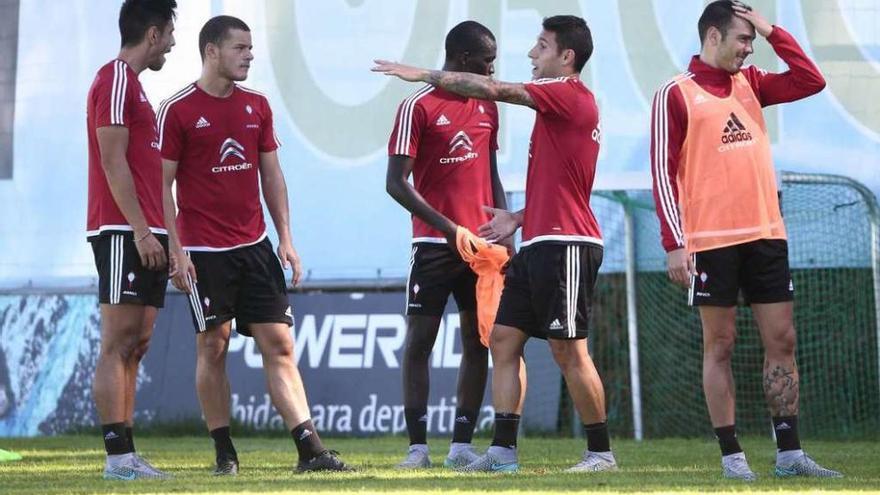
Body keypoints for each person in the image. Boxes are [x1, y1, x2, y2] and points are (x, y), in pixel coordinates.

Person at [374, 15, 617, 473]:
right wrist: (514, 220)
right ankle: (500, 451)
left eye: (540, 46)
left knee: (568, 349)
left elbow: (495, 91)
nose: (530, 54)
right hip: (525, 242)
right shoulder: (550, 108)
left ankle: (600, 452)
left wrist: (424, 71)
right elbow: (562, 184)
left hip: (566, 243)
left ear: (566, 57)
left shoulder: (567, 95)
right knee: (502, 339)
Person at [649, 0, 839, 481]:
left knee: (783, 339)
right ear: (713, 36)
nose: (748, 49)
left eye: (752, 41)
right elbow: (662, 173)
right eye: (742, 38)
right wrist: (675, 242)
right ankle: (733, 458)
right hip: (710, 241)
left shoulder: (751, 82)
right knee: (721, 344)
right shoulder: (675, 93)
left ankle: (790, 455)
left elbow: (811, 79)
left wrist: (771, 30)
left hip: (766, 233)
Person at [158, 15, 348, 474]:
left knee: (280, 344)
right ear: (211, 51)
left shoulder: (257, 105)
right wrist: (175, 251)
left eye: (250, 47)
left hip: (255, 247)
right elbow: (161, 187)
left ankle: (310, 450)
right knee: (213, 347)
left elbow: (272, 175)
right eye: (240, 48)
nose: (249, 55)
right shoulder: (177, 109)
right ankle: (224, 452)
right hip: (204, 253)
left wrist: (285, 238)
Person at [384, 20, 508, 469]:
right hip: (434, 245)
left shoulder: (487, 106)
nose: (492, 72)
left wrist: (503, 223)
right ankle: (417, 448)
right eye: (486, 62)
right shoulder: (417, 106)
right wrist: (449, 228)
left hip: (480, 250)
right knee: (421, 341)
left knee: (479, 343)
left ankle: (460, 447)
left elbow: (490, 171)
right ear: (460, 60)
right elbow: (396, 184)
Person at [85, 0, 176, 481]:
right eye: (172, 34)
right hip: (122, 230)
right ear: (155, 34)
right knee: (117, 343)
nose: (174, 44)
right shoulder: (115, 78)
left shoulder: (136, 88)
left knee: (137, 344)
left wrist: (167, 238)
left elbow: (151, 175)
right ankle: (116, 457)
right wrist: (140, 229)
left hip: (149, 231)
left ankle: (128, 453)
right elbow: (111, 161)